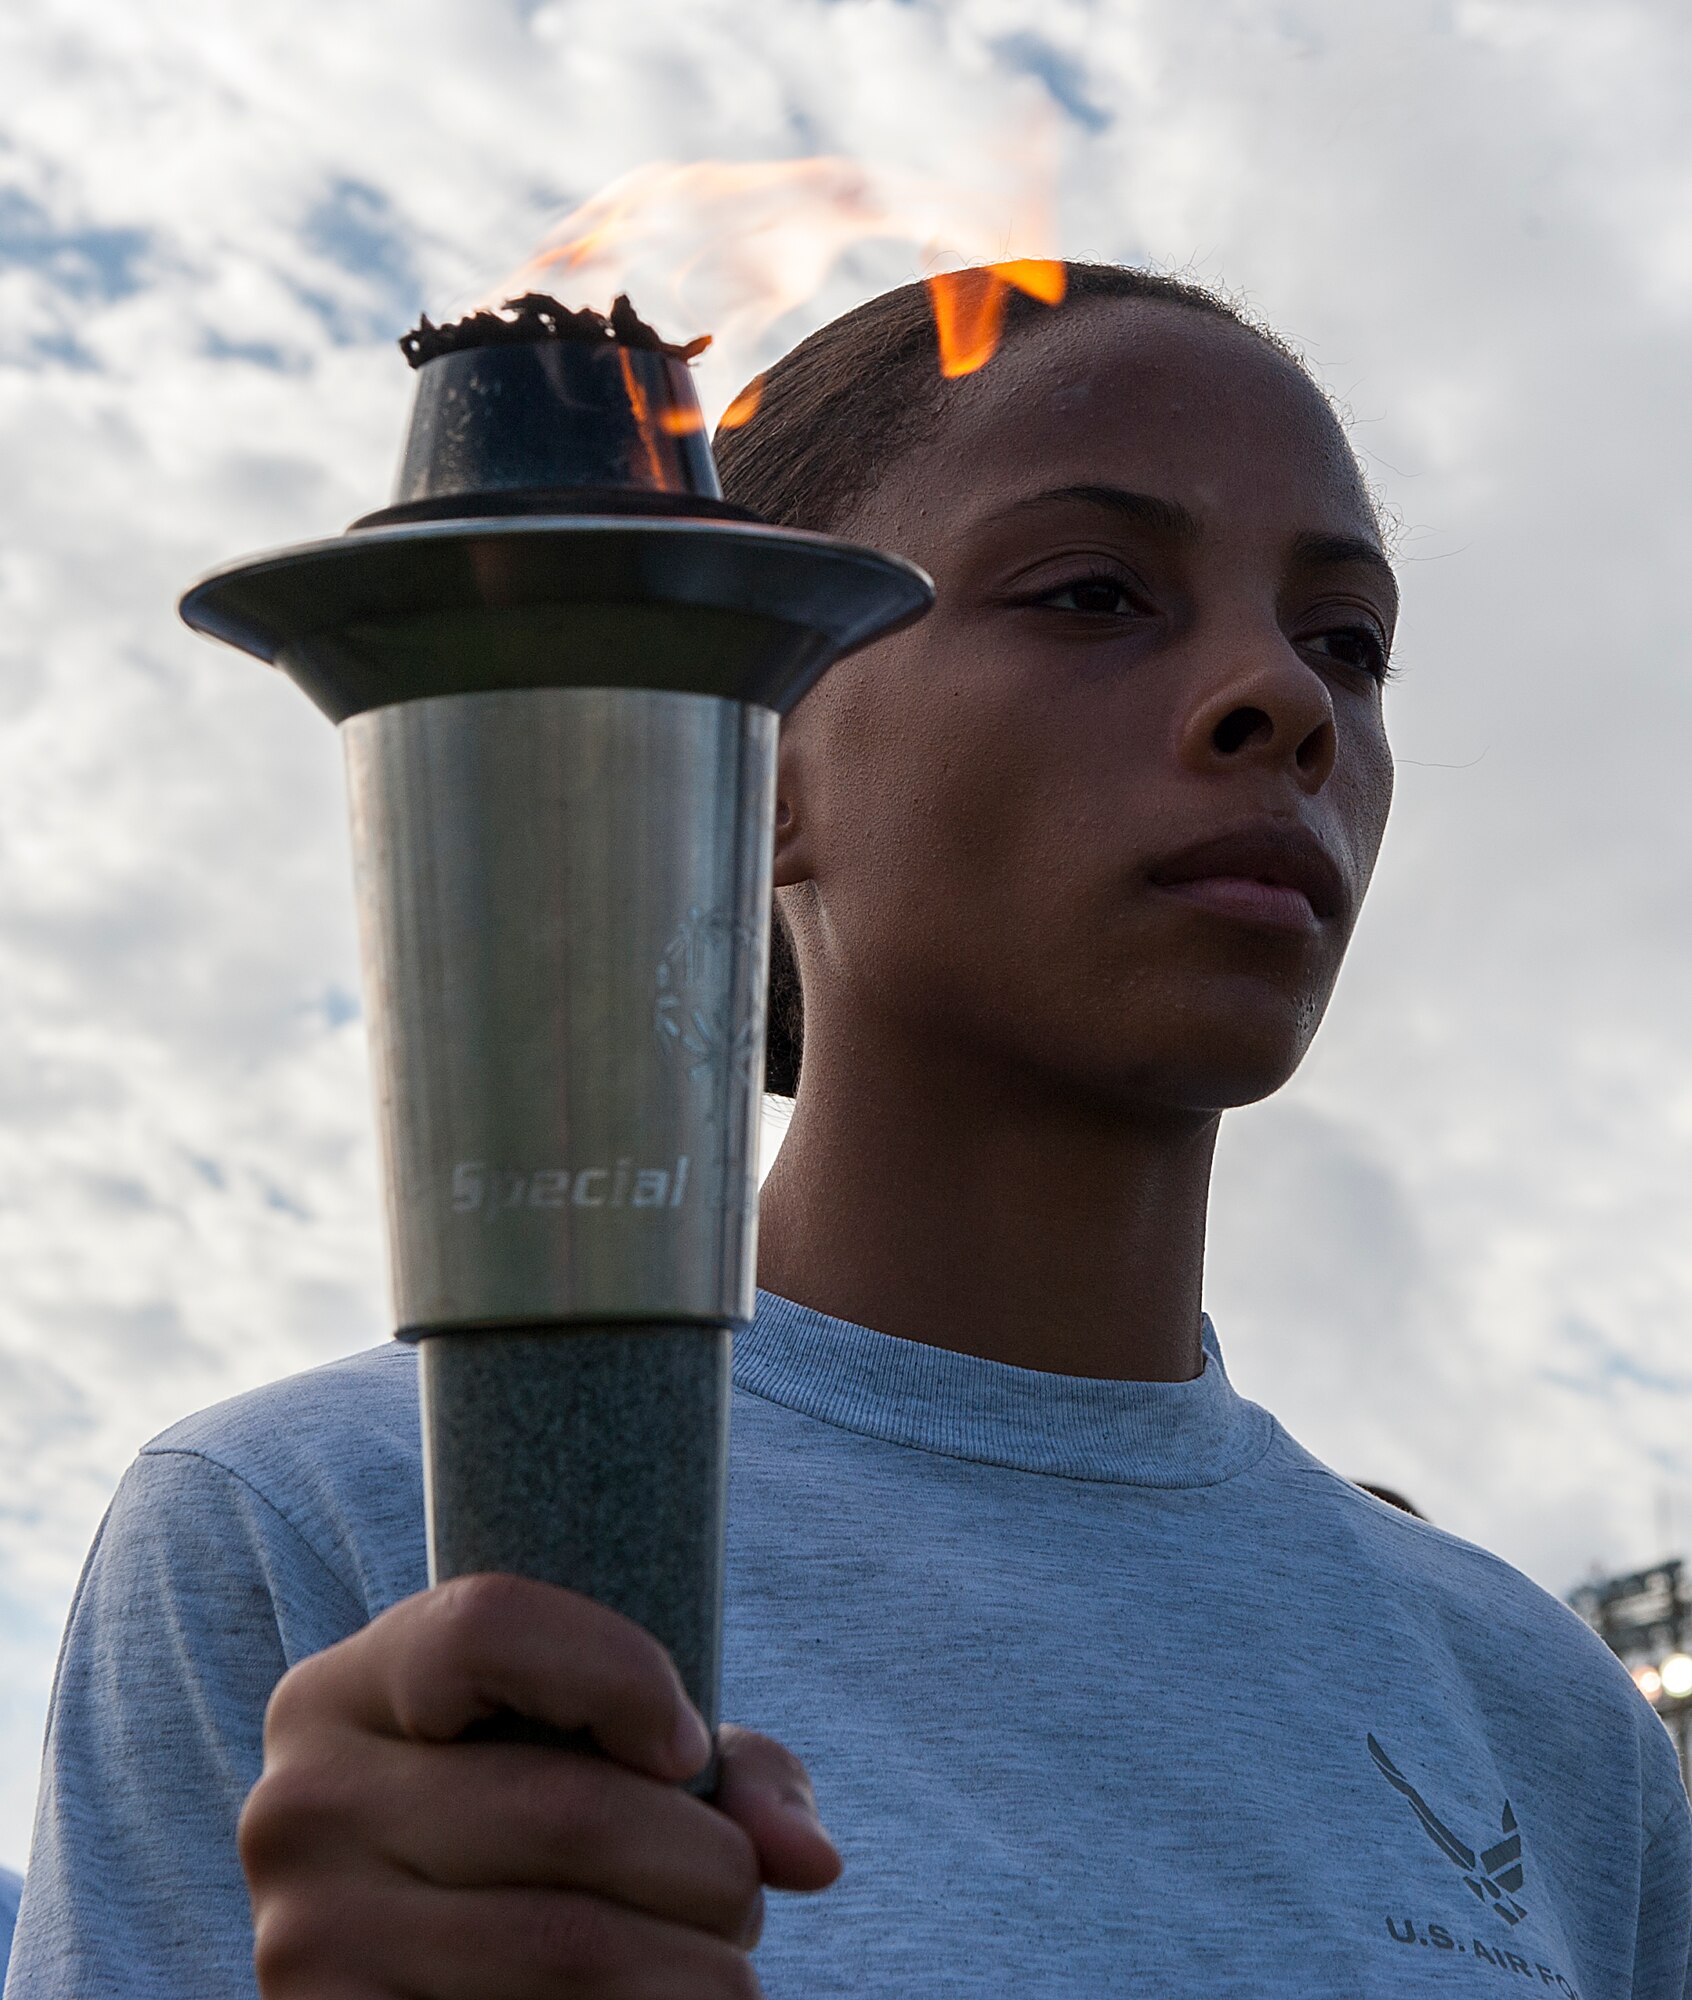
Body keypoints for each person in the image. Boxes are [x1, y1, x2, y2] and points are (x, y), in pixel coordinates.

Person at [7, 263, 1687, 2000]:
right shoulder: (321, 1528)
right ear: (753, 757)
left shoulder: (1547, 1721)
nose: (1285, 698)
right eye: (1095, 592)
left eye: (1347, 637)